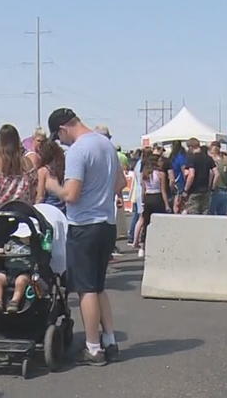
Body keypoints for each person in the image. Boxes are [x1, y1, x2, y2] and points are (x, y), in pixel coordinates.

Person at [44, 107, 124, 365]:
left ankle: (92, 347)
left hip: (84, 225)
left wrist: (53, 186)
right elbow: (121, 183)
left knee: (86, 288)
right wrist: (100, 195)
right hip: (106, 223)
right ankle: (109, 340)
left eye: (58, 136)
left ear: (63, 128)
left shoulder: (78, 150)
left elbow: (71, 194)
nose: (60, 142)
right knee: (99, 285)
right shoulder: (106, 144)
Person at [133, 153, 168, 258]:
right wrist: (166, 204)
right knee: (159, 222)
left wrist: (143, 202)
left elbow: (143, 190)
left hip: (148, 198)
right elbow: (163, 190)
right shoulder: (161, 174)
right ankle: (159, 245)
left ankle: (142, 247)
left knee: (146, 223)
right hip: (157, 198)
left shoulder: (144, 174)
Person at [183, 138, 215, 215]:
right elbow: (215, 173)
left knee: (193, 216)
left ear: (191, 147)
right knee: (205, 215)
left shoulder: (192, 158)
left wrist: (186, 190)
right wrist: (211, 186)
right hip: (205, 191)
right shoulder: (208, 158)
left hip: (194, 191)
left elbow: (191, 175)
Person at [35, 138, 67, 213]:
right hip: (63, 212)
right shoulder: (63, 169)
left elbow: (40, 196)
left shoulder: (43, 171)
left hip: (48, 211)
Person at [209, 141, 227, 216]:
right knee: (222, 216)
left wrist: (211, 188)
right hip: (226, 191)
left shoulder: (212, 160)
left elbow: (214, 175)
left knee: (211, 214)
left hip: (215, 190)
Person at [167, 141, 187, 213]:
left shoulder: (172, 157)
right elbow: (184, 170)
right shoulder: (181, 157)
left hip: (175, 181)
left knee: (176, 203)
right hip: (180, 182)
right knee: (179, 204)